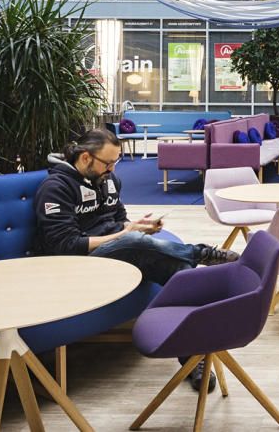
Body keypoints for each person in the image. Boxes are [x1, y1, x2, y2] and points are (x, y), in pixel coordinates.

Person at [35, 129, 237, 389]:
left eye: (116, 162)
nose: (112, 169)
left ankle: (192, 358)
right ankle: (199, 253)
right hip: (79, 262)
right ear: (85, 158)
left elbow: (119, 219)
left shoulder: (108, 180)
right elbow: (65, 246)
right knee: (134, 242)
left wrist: (138, 226)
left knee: (180, 274)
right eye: (108, 163)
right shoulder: (55, 188)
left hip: (118, 250)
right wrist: (126, 234)